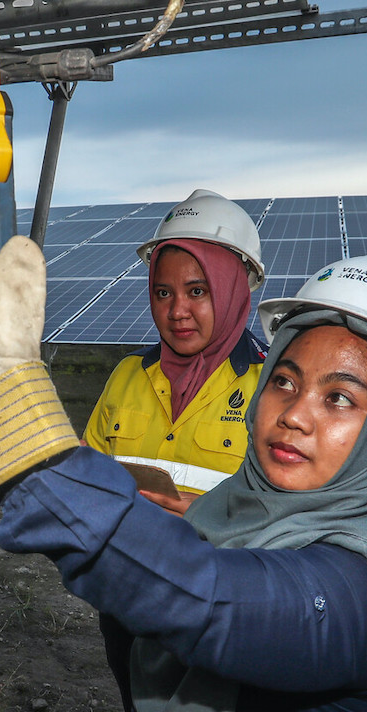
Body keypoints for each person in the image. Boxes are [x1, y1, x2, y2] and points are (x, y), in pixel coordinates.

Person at [0, 197, 367, 712]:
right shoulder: (230, 508)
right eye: (283, 381)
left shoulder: (365, 599)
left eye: (339, 397)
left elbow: (206, 600)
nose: (294, 415)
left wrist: (18, 437)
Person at [83, 189, 268, 516]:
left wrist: (215, 520)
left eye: (197, 291)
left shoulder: (273, 385)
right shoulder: (128, 373)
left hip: (223, 567)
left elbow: (292, 519)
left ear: (233, 291)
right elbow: (89, 482)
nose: (177, 311)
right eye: (163, 292)